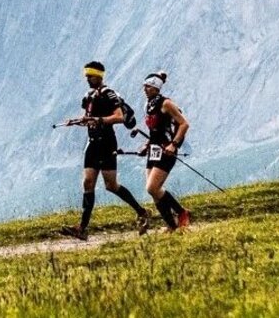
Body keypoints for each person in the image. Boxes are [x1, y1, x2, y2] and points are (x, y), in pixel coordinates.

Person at [58, 61, 151, 240]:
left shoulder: (109, 94)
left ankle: (141, 211)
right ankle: (82, 228)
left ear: (99, 76)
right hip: (92, 143)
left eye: (90, 76)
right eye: (86, 76)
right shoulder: (88, 96)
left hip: (107, 143)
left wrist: (99, 120)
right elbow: (89, 117)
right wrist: (77, 121)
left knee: (111, 185)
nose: (88, 79)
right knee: (88, 183)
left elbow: (119, 117)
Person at [139, 72, 192, 231]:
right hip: (154, 149)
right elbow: (155, 130)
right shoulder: (148, 105)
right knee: (154, 192)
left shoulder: (166, 103)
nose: (145, 89)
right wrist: (147, 144)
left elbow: (184, 124)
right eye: (144, 86)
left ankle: (181, 212)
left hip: (167, 149)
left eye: (148, 86)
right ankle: (172, 225)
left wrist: (174, 144)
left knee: (152, 187)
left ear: (156, 88)